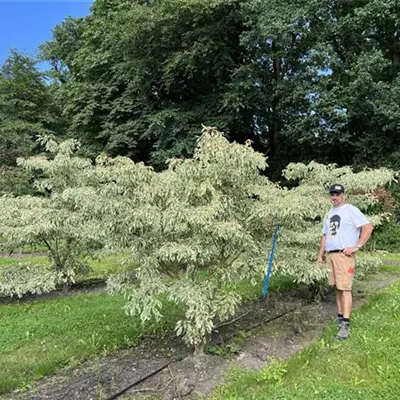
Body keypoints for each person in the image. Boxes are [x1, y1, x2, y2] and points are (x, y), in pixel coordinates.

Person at [317, 184, 373, 340]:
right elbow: (324, 236)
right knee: (338, 289)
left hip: (344, 256)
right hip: (331, 255)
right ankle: (340, 319)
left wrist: (357, 246)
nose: (334, 197)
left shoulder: (351, 210)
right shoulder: (328, 214)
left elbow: (368, 227)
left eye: (337, 194)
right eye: (332, 195)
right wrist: (320, 256)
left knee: (345, 289)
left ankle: (345, 327)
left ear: (343, 196)